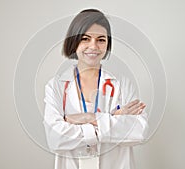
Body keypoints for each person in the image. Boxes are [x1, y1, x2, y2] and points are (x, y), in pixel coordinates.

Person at [43, 9, 148, 169]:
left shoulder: (122, 84)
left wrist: (89, 117)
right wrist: (112, 119)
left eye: (101, 40)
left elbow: (139, 131)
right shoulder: (56, 86)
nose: (93, 46)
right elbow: (55, 138)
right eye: (85, 39)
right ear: (74, 41)